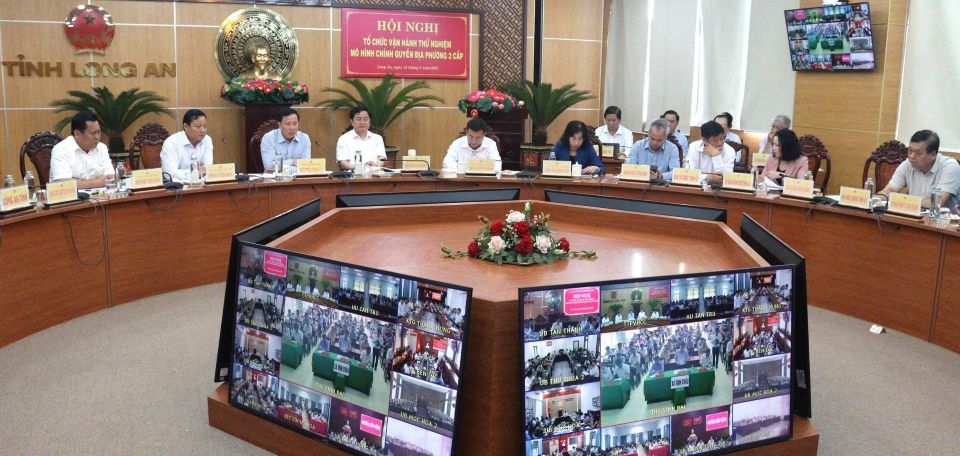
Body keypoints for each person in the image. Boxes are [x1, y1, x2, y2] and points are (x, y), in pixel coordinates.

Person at [880, 130, 960, 210]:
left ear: (933, 154)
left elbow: (937, 202)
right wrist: (875, 198)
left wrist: (905, 202)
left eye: (918, 153)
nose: (911, 156)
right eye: (910, 150)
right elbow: (889, 190)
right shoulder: (908, 164)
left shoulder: (950, 166)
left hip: (942, 220)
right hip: (913, 217)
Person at [49, 111, 115, 189]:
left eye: (99, 132)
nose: (97, 137)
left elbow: (110, 178)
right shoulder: (61, 149)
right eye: (93, 133)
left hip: (101, 197)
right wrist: (97, 182)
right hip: (72, 199)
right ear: (77, 134)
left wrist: (78, 182)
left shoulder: (102, 148)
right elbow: (63, 184)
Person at [160, 109, 213, 181]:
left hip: (201, 185)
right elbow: (169, 173)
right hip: (178, 189)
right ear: (186, 126)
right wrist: (196, 174)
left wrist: (203, 171)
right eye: (198, 126)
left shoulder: (207, 140)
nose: (203, 130)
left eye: (205, 126)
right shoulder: (172, 143)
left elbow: (208, 168)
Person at [684, 120, 736, 185]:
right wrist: (706, 178)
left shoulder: (730, 150)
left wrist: (716, 156)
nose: (720, 143)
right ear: (704, 140)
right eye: (716, 140)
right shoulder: (694, 147)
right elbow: (689, 173)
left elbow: (727, 177)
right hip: (697, 187)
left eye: (722, 138)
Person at [260, 108, 311, 172]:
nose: (292, 128)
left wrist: (283, 167)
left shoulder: (304, 138)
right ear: (279, 124)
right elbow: (269, 166)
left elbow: (306, 166)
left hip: (298, 180)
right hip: (273, 179)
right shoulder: (268, 138)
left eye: (295, 124)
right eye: (287, 124)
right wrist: (292, 162)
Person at [336, 105, 386, 171]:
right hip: (353, 176)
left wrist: (376, 165)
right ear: (351, 121)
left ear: (369, 121)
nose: (362, 122)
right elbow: (343, 162)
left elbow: (381, 158)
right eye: (358, 119)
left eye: (365, 119)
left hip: (374, 175)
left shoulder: (377, 138)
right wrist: (359, 168)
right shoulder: (343, 139)